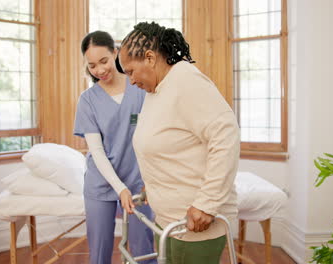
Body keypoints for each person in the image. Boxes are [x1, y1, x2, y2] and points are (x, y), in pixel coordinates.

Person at [118, 22, 240, 264]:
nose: (130, 81)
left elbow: (226, 134)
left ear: (150, 58)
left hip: (195, 222)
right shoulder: (157, 91)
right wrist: (152, 186)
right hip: (170, 220)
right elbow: (169, 144)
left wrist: (206, 204)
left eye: (131, 71)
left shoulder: (186, 81)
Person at [74, 30, 156, 264]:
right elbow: (97, 152)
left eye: (103, 61)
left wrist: (150, 181)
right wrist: (120, 188)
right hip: (101, 185)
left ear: (116, 54)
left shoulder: (140, 90)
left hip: (138, 182)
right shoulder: (88, 101)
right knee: (100, 254)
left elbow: (153, 139)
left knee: (144, 251)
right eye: (92, 65)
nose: (99, 70)